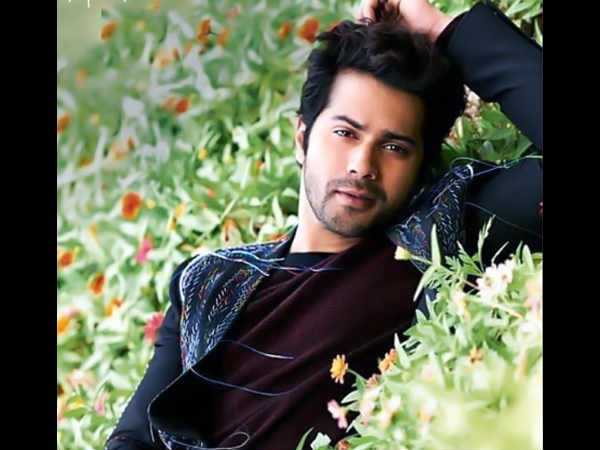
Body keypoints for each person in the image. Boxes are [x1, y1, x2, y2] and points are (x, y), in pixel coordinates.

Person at [105, 0, 542, 448]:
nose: (362, 165)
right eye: (345, 133)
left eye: (394, 147)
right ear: (302, 138)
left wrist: (445, 29)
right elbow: (133, 439)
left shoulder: (440, 236)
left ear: (420, 168)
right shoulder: (208, 284)